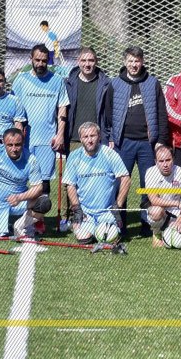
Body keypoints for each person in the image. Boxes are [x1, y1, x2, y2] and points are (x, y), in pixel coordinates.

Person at [109, 45, 169, 236]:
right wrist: (111, 136)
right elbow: (108, 113)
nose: (134, 65)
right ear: (125, 62)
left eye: (137, 61)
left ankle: (148, 222)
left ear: (142, 62)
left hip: (147, 142)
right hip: (123, 142)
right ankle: (120, 222)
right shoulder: (115, 83)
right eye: (130, 61)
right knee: (121, 182)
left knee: (148, 183)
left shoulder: (152, 83)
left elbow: (161, 113)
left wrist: (160, 139)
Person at [12, 44, 69, 225]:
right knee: (22, 179)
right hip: (25, 140)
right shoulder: (20, 81)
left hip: (47, 139)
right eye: (37, 60)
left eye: (44, 60)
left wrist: (60, 134)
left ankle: (38, 221)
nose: (40, 63)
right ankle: (21, 219)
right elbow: (16, 112)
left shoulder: (57, 80)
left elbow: (62, 108)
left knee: (43, 183)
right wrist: (16, 136)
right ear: (31, 59)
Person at [62, 47, 111, 230]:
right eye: (83, 61)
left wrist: (107, 136)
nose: (87, 64)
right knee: (72, 180)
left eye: (90, 60)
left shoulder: (105, 83)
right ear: (78, 62)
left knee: (99, 178)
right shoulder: (69, 83)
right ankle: (71, 216)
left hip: (98, 139)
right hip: (74, 139)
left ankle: (98, 214)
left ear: (96, 61)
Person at [65, 122, 130, 244]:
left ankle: (105, 227)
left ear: (99, 136)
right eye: (86, 137)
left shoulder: (109, 154)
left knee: (109, 239)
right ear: (80, 139)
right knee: (83, 238)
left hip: (107, 212)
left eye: (92, 136)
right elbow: (70, 185)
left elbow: (126, 178)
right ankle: (89, 228)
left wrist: (118, 206)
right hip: (86, 213)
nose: (89, 140)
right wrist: (77, 208)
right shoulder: (74, 157)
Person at [143, 146, 181, 247]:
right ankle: (157, 233)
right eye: (161, 161)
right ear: (155, 161)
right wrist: (178, 203)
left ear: (173, 159)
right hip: (162, 212)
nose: (165, 164)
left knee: (178, 242)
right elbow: (154, 200)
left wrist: (180, 219)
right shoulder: (150, 173)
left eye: (168, 160)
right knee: (155, 211)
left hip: (178, 213)